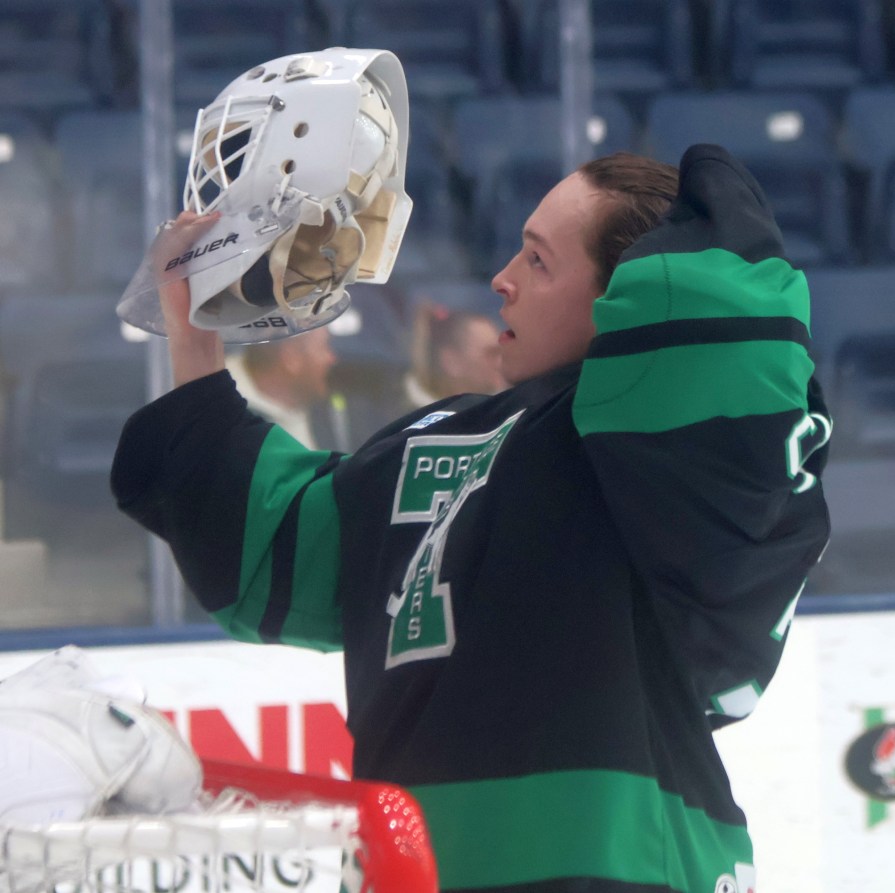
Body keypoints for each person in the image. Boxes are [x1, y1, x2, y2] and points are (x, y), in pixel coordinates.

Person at [112, 140, 831, 892]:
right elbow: (268, 544)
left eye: (539, 260)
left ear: (626, 299)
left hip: (619, 864)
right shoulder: (442, 438)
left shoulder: (669, 458)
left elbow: (728, 346)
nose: (503, 281)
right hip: (422, 866)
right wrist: (193, 327)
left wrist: (721, 197)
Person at [225, 327, 342, 450]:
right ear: (291, 356)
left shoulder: (327, 411)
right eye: (324, 347)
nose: (332, 359)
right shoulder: (220, 417)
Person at [403, 302, 508, 409]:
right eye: (491, 354)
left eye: (501, 352)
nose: (500, 362)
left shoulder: (504, 411)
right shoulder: (416, 420)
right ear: (452, 362)